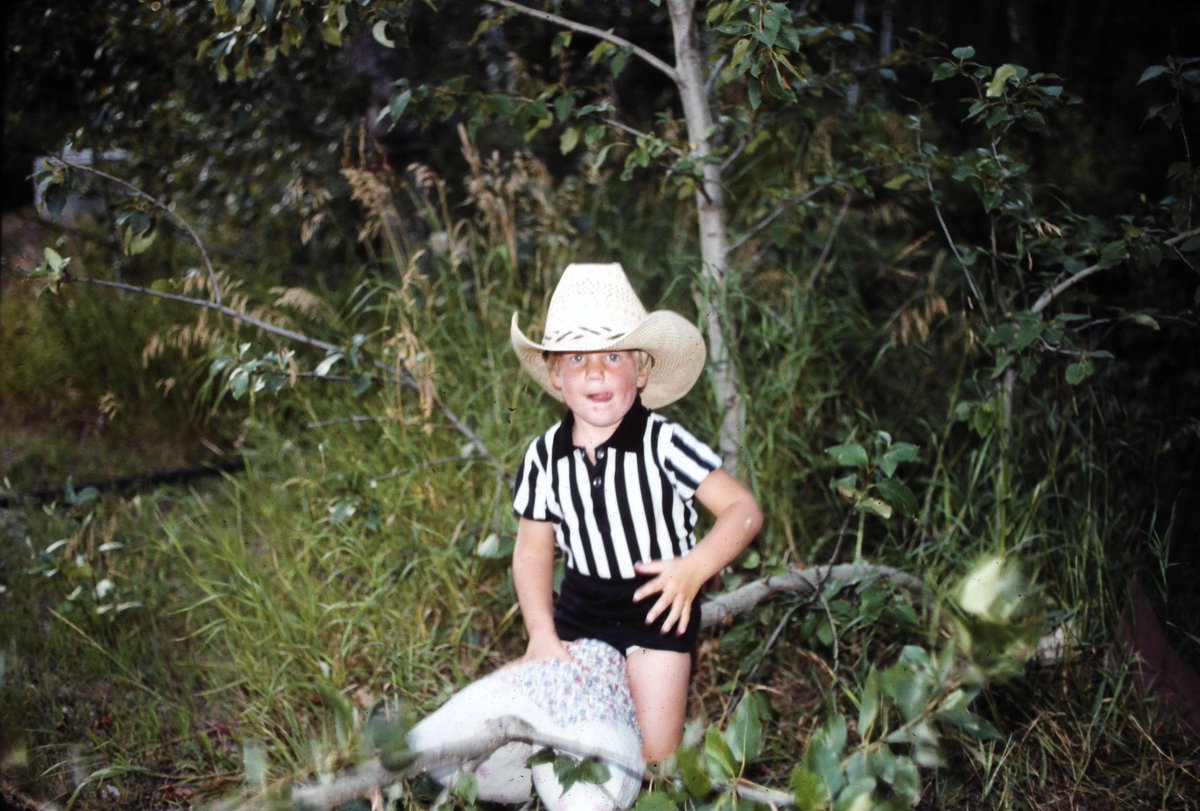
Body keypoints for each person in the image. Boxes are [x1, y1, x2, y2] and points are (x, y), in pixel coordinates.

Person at [510, 262, 763, 763]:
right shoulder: (542, 456)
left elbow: (743, 509)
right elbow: (533, 551)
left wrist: (694, 569)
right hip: (581, 607)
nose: (596, 371)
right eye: (577, 358)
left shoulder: (663, 443)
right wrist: (541, 629)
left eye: (612, 355)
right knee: (564, 735)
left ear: (642, 370)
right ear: (556, 374)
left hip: (659, 603)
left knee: (654, 754)